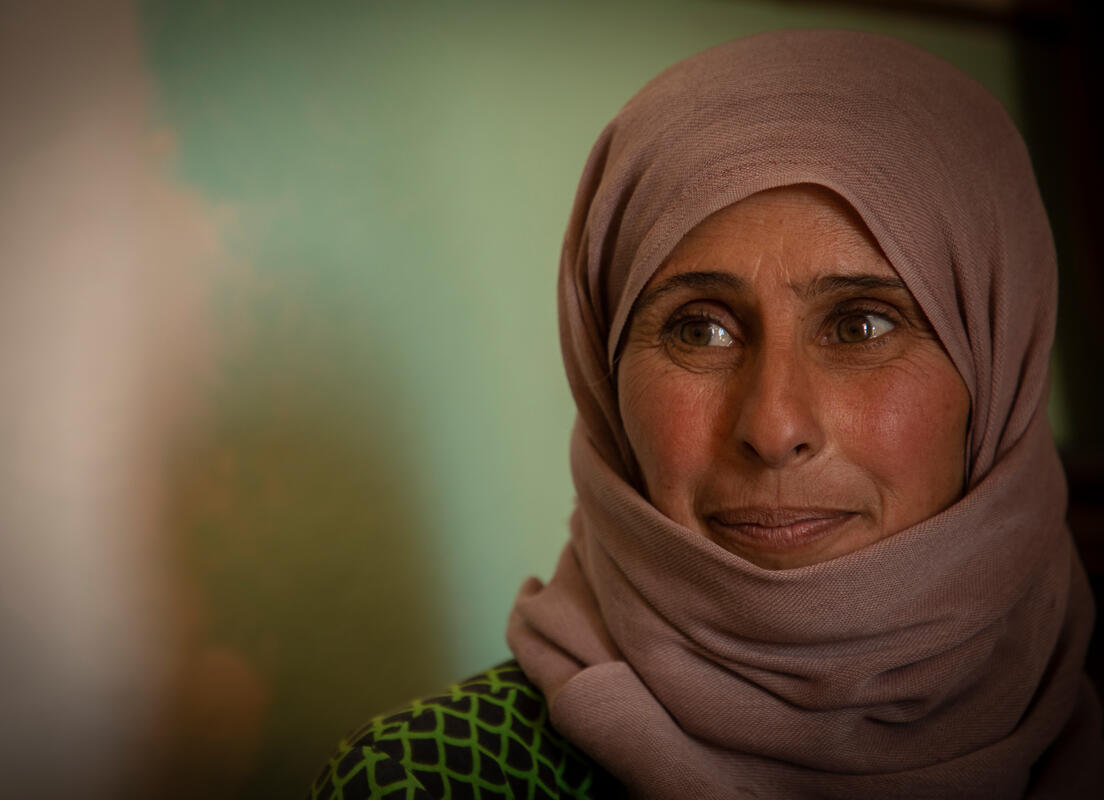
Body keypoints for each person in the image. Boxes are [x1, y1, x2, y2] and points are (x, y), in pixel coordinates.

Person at [311, 28, 1102, 798]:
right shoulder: (431, 780)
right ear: (602, 370)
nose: (774, 426)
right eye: (701, 329)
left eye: (861, 324)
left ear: (1001, 362)